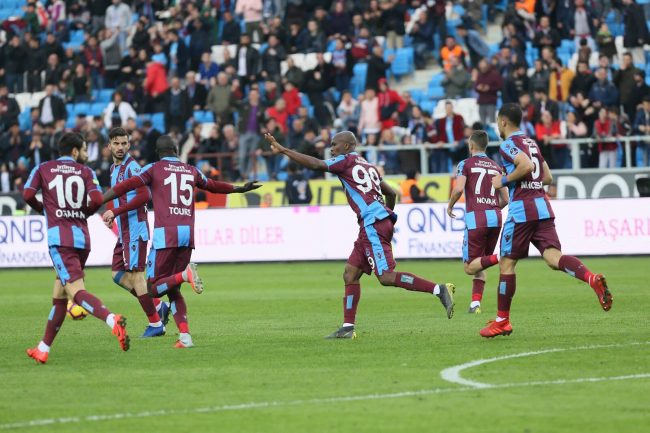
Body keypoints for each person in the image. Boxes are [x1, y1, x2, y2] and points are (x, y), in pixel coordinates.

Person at [264, 131, 456, 339]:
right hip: (374, 223)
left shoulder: (344, 161)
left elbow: (317, 165)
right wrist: (386, 216)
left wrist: (284, 150)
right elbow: (391, 193)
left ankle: (439, 290)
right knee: (351, 273)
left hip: (372, 224)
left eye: (335, 145)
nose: (332, 149)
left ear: (347, 146)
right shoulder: (368, 166)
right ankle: (347, 328)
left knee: (386, 277)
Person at [102, 136, 261, 348]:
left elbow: (127, 185)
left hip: (165, 235)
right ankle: (185, 337)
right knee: (173, 290)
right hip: (187, 235)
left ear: (158, 153)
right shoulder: (191, 170)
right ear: (176, 150)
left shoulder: (153, 168)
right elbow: (213, 185)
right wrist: (238, 188)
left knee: (151, 289)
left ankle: (184, 276)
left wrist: (101, 200)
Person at [480, 104, 613, 338]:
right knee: (553, 258)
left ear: (503, 122)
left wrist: (504, 180)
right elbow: (547, 177)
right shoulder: (532, 143)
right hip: (542, 206)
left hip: (521, 210)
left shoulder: (508, 144)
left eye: (498, 122)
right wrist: (529, 181)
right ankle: (591, 279)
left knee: (507, 263)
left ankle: (502, 321)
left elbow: (526, 166)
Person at [22, 132, 130, 363]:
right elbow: (97, 200)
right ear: (74, 151)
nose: (86, 153)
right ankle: (43, 348)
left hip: (60, 241)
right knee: (59, 296)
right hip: (82, 239)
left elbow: (27, 194)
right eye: (84, 149)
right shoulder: (87, 172)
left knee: (75, 292)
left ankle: (112, 319)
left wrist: (44, 210)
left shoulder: (43, 168)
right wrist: (82, 214)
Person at [104, 127, 170, 337]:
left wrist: (115, 211)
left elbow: (144, 196)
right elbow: (121, 197)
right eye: (116, 143)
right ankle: (158, 305)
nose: (120, 147)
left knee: (136, 276)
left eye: (124, 143)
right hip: (124, 231)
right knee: (117, 275)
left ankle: (155, 323)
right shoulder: (114, 169)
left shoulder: (132, 167)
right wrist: (113, 216)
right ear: (109, 145)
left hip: (135, 229)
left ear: (129, 144)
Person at [447, 130, 509, 314]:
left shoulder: (465, 164)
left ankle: (502, 257)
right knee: (481, 263)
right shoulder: (496, 167)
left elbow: (459, 188)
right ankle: (475, 304)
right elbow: (505, 199)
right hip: (495, 217)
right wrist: (491, 207)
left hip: (476, 218)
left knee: (469, 267)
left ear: (471, 145)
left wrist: (450, 206)